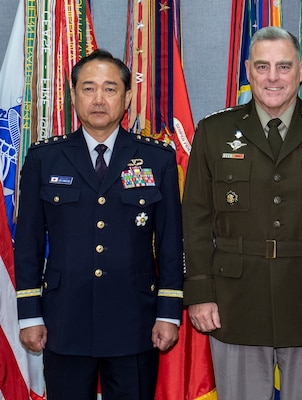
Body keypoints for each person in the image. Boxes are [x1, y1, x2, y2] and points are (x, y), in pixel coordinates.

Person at [182, 26, 302, 400]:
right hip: (235, 302)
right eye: (263, 66)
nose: (273, 78)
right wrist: (199, 292)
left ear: (301, 70)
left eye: (283, 67)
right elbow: (197, 220)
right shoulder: (215, 131)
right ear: (248, 70)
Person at [14, 49, 184, 399]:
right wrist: (30, 315)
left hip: (134, 321)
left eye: (110, 88)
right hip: (64, 321)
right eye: (88, 88)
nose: (99, 99)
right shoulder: (44, 158)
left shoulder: (157, 158)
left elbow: (171, 243)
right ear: (73, 95)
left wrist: (169, 312)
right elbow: (28, 243)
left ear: (127, 97)